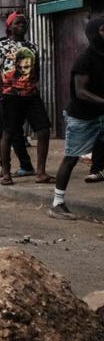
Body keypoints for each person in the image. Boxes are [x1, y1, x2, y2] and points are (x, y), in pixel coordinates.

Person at [49, 16, 104, 220]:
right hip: (82, 116)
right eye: (103, 30)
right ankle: (57, 203)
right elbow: (81, 92)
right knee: (71, 158)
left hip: (101, 115)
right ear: (93, 34)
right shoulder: (85, 59)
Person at [0, 12, 52, 185]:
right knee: (8, 133)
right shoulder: (1, 46)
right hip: (10, 96)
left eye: (24, 23)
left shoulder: (33, 47)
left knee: (44, 130)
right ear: (9, 26)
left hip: (31, 95)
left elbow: (36, 71)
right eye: (17, 23)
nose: (22, 25)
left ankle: (41, 173)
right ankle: (6, 173)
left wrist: (30, 83)